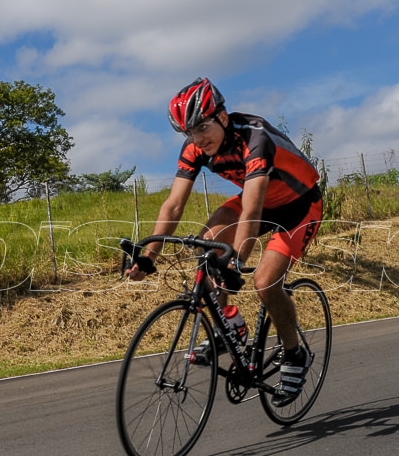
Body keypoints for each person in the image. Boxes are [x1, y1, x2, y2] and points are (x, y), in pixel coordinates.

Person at [125, 77, 323, 406]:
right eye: (189, 132)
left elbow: (253, 209)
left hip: (298, 205)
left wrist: (237, 261)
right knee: (207, 246)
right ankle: (231, 323)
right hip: (256, 202)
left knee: (264, 283)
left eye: (202, 127)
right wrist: (149, 257)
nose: (197, 138)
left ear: (222, 116)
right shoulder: (194, 148)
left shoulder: (255, 138)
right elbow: (173, 205)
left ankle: (295, 354)